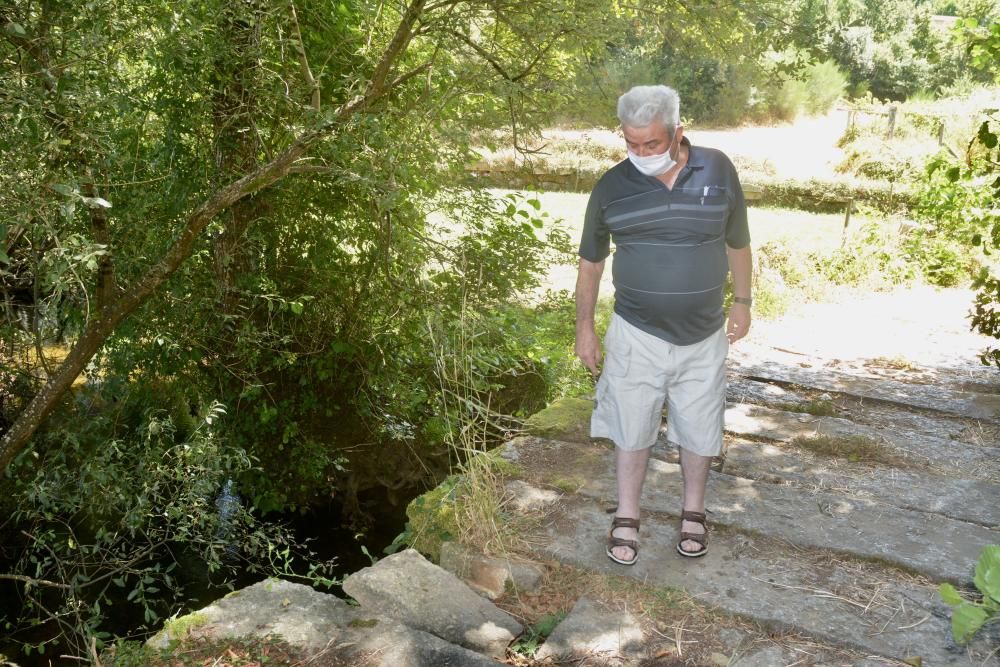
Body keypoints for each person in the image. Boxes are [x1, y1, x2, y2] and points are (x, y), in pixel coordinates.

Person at [575, 85, 752, 565]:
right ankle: (627, 515)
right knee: (631, 425)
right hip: (636, 332)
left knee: (700, 425)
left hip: (704, 332)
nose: (639, 153)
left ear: (678, 133)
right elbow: (590, 263)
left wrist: (743, 300)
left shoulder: (718, 168)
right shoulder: (611, 186)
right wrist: (585, 328)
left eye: (650, 144)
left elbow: (738, 241)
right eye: (630, 143)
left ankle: (693, 510)